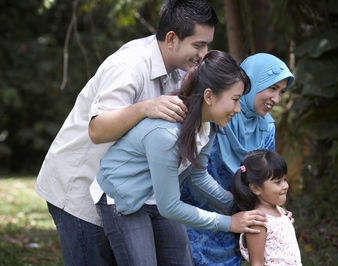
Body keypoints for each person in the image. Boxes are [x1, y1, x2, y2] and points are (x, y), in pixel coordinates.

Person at [35, 0, 219, 265]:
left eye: (207, 44)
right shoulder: (130, 65)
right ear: (171, 39)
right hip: (80, 190)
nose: (204, 53)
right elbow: (97, 129)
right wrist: (145, 108)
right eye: (199, 45)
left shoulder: (181, 71)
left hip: (131, 193)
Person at [92, 50, 267, 266]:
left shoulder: (207, 125)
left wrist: (247, 209)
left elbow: (198, 176)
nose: (239, 109)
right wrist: (229, 222)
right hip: (124, 198)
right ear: (209, 96)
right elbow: (170, 206)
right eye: (235, 100)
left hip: (160, 198)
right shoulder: (166, 135)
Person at [181, 53, 295, 265]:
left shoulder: (267, 127)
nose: (276, 99)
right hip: (195, 216)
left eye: (282, 92)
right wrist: (233, 209)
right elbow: (193, 173)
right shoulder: (215, 115)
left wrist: (273, 212)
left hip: (240, 220)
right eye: (272, 88)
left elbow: (265, 181)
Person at [232, 150, 302, 265]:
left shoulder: (279, 211)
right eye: (278, 182)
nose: (285, 186)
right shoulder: (258, 221)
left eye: (285, 179)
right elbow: (257, 263)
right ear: (256, 188)